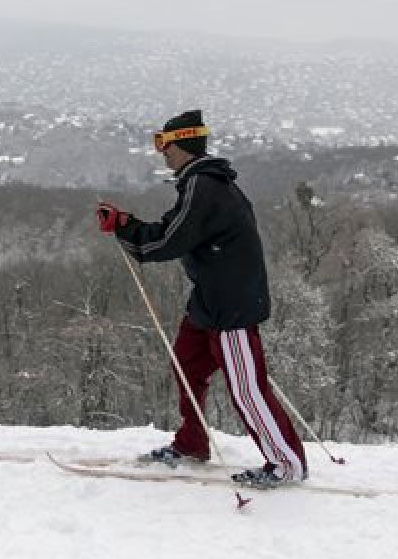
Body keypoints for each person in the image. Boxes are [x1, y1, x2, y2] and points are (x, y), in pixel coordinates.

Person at [95, 110, 307, 487]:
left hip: (231, 308)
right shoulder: (201, 183)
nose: (162, 152)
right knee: (188, 366)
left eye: (165, 144)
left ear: (184, 144)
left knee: (247, 389)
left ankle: (287, 463)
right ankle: (192, 443)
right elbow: (171, 230)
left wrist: (126, 229)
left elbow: (167, 240)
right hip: (208, 303)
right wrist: (128, 225)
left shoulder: (204, 188)